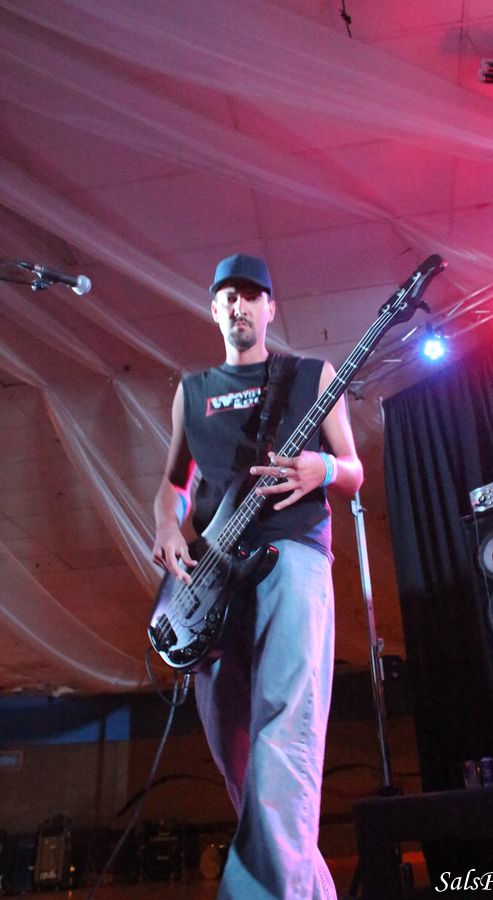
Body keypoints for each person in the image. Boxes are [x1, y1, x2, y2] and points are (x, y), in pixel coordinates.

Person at [152, 253, 363, 899]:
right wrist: (167, 526)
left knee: (284, 731)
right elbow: (174, 484)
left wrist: (323, 470)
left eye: (251, 295)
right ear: (214, 309)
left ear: (271, 307)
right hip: (212, 576)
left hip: (291, 553)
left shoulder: (310, 374)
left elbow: (353, 467)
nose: (239, 305)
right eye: (227, 296)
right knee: (237, 754)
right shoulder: (191, 392)